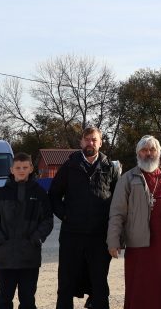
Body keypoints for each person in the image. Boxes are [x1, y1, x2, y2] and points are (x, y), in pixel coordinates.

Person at [107, 135, 161, 309]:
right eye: (144, 150)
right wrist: (113, 241)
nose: (148, 153)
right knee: (139, 287)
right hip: (138, 245)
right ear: (138, 153)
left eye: (152, 150)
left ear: (158, 153)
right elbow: (117, 212)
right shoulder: (127, 178)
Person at [50, 126, 120, 309]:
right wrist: (66, 215)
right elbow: (54, 195)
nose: (90, 143)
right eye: (87, 139)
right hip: (71, 235)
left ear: (100, 142)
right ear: (81, 142)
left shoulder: (110, 168)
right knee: (66, 282)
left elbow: (118, 201)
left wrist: (113, 229)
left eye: (94, 139)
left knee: (99, 283)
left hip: (99, 236)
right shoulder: (69, 166)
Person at [0, 152, 54, 309]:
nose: (21, 170)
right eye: (18, 167)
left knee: (28, 299)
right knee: (4, 298)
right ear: (11, 170)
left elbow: (47, 220)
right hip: (6, 258)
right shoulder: (1, 194)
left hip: (30, 257)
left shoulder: (39, 193)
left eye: (25, 167)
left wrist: (37, 238)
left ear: (31, 168)